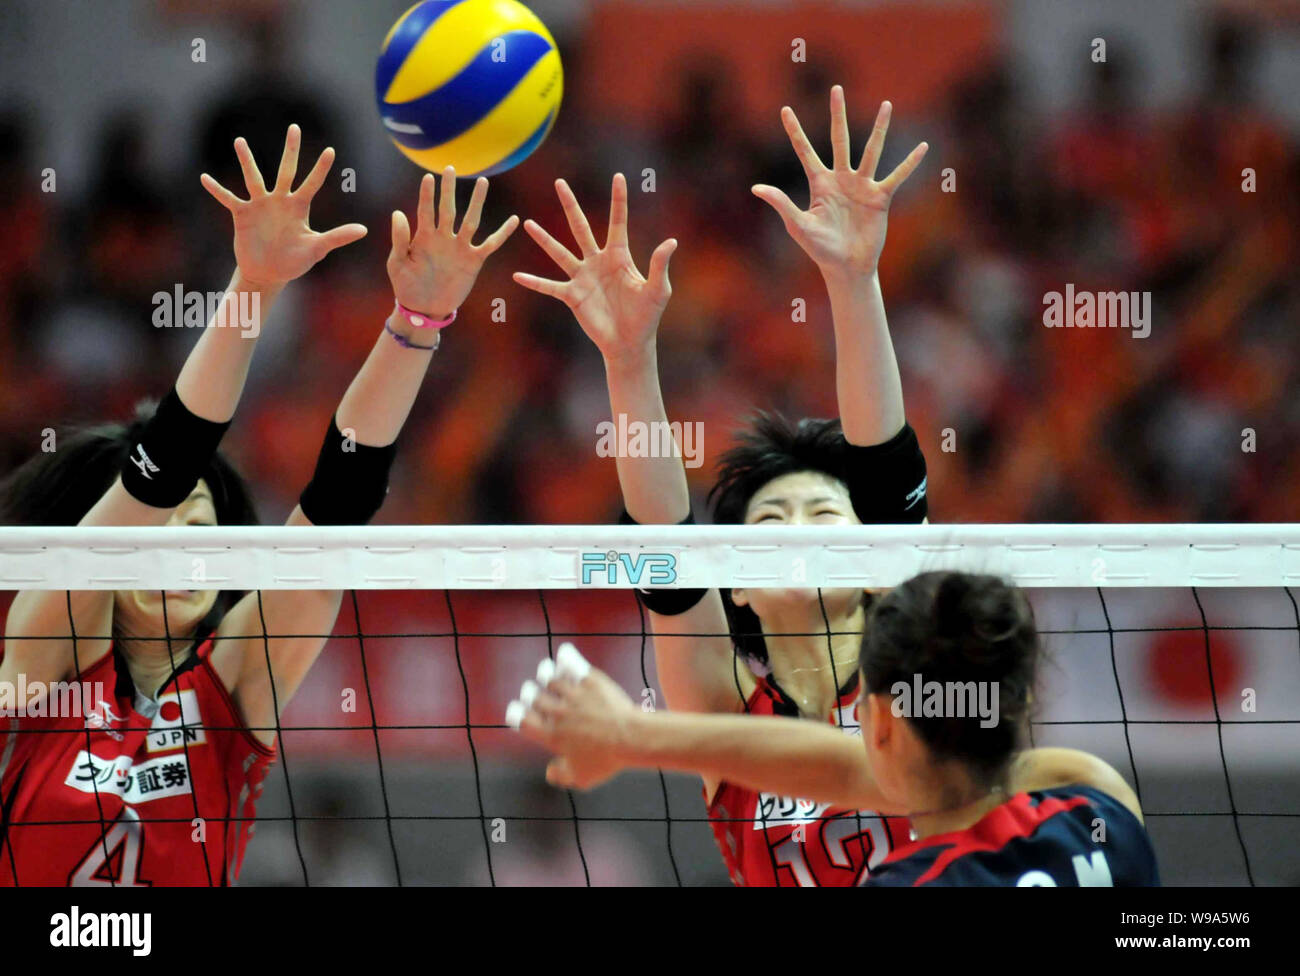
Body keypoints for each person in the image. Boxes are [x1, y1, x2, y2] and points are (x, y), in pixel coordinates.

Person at [0, 128, 517, 886]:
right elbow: (159, 468)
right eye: (161, 528)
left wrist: (417, 323)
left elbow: (333, 513)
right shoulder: (44, 652)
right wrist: (255, 286)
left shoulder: (235, 685)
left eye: (201, 530)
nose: (181, 548)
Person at [512, 87, 929, 885]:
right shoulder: (722, 707)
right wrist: (629, 364)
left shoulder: (915, 673)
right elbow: (665, 551)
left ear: (874, 557)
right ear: (736, 588)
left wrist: (853, 278)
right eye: (771, 518)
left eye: (822, 512)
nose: (798, 527)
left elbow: (882, 456)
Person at [513, 572, 1160, 886]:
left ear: (877, 724)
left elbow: (848, 771)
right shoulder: (1098, 798)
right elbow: (851, 771)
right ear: (1017, 708)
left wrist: (631, 733)